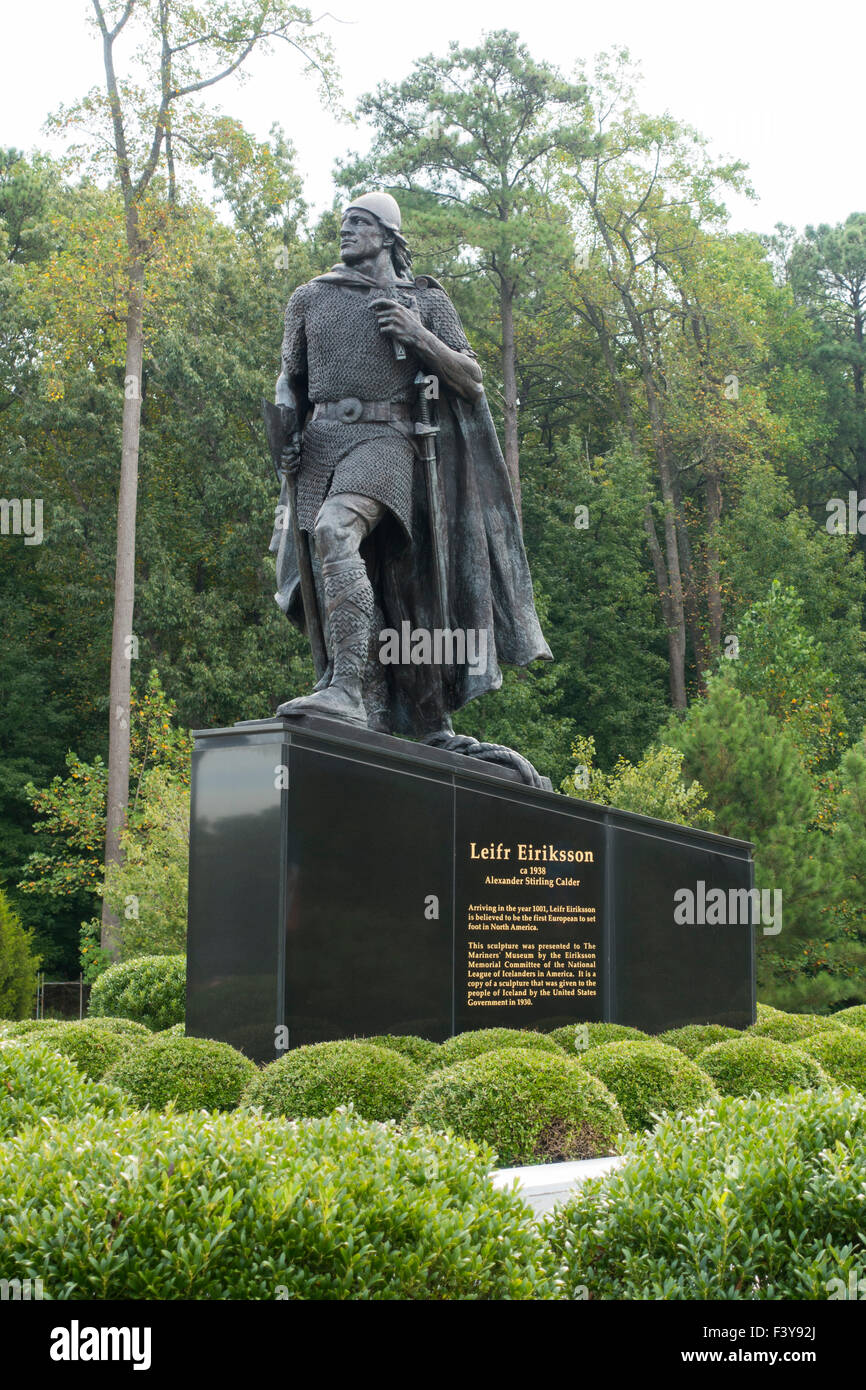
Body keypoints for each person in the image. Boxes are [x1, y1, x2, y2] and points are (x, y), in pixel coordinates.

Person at [270, 190, 551, 739]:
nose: (345, 231)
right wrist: (284, 427)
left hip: (388, 439)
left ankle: (345, 689)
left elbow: (471, 378)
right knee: (366, 575)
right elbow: (289, 377)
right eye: (343, 223)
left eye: (358, 223)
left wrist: (416, 335)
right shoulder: (309, 298)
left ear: (388, 236)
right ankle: (371, 703)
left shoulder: (423, 301)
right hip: (322, 442)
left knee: (335, 530)